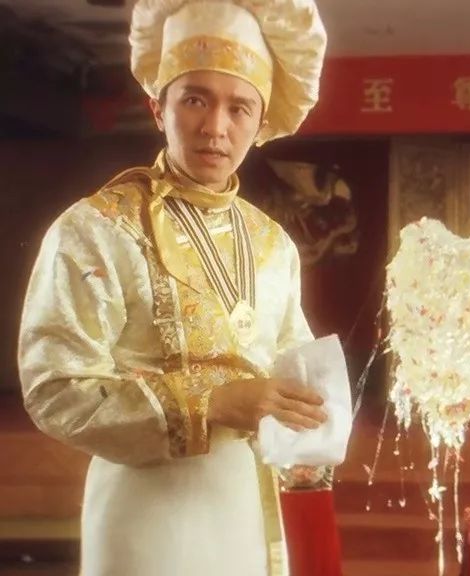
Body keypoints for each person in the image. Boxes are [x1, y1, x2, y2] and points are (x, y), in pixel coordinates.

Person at [17, 1, 331, 574]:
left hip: (244, 503)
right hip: (145, 512)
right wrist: (213, 404)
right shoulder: (97, 228)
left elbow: (295, 363)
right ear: (157, 107)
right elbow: (55, 388)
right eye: (195, 99)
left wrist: (312, 415)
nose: (216, 127)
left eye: (239, 107)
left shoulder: (272, 244)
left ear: (261, 122)